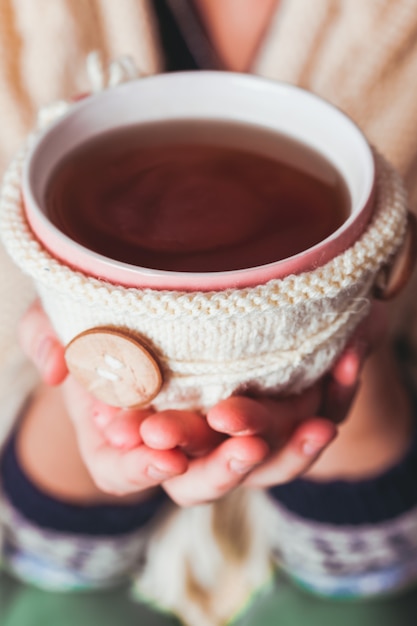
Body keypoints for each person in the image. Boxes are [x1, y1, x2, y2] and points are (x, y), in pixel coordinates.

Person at [0, 0, 417, 622]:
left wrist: (338, 330)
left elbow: (372, 562)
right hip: (61, 508)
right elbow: (45, 558)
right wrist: (84, 356)